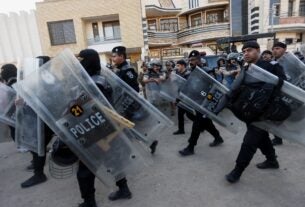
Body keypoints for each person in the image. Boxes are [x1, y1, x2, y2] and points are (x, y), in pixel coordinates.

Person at [76, 49, 132, 207]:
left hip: (96, 129)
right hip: (108, 127)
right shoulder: (100, 78)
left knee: (85, 169)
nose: (79, 63)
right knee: (113, 161)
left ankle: (89, 202)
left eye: (82, 60)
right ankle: (124, 189)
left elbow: (87, 108)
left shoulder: (92, 83)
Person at [225, 41, 286, 183]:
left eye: (249, 50)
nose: (246, 53)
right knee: (262, 138)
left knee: (249, 142)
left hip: (264, 113)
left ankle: (237, 171)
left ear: (258, 51)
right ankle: (272, 160)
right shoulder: (246, 68)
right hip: (250, 112)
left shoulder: (270, 66)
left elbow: (283, 86)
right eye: (244, 51)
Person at [179, 50, 224, 156]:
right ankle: (218, 137)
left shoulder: (207, 71)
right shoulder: (191, 72)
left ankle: (190, 147)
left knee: (197, 124)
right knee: (204, 121)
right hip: (195, 101)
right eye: (190, 60)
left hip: (205, 103)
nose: (191, 62)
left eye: (193, 60)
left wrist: (209, 102)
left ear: (199, 60)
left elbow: (214, 88)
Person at [20, 56, 55, 189]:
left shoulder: (49, 79)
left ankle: (39, 174)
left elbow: (49, 99)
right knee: (37, 146)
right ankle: (38, 172)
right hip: (41, 119)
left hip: (47, 119)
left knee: (39, 146)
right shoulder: (40, 78)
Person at [271, 42, 288, 146]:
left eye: (277, 48)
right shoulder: (273, 63)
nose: (274, 51)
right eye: (273, 49)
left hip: (293, 94)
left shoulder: (291, 61)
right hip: (279, 95)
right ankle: (278, 138)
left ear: (284, 49)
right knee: (275, 117)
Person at [172, 59, 194, 135]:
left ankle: (202, 126)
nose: (176, 67)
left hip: (187, 97)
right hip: (181, 96)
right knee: (180, 114)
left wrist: (178, 98)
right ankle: (181, 130)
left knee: (190, 115)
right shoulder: (179, 74)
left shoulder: (188, 74)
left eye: (178, 65)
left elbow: (187, 87)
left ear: (183, 65)